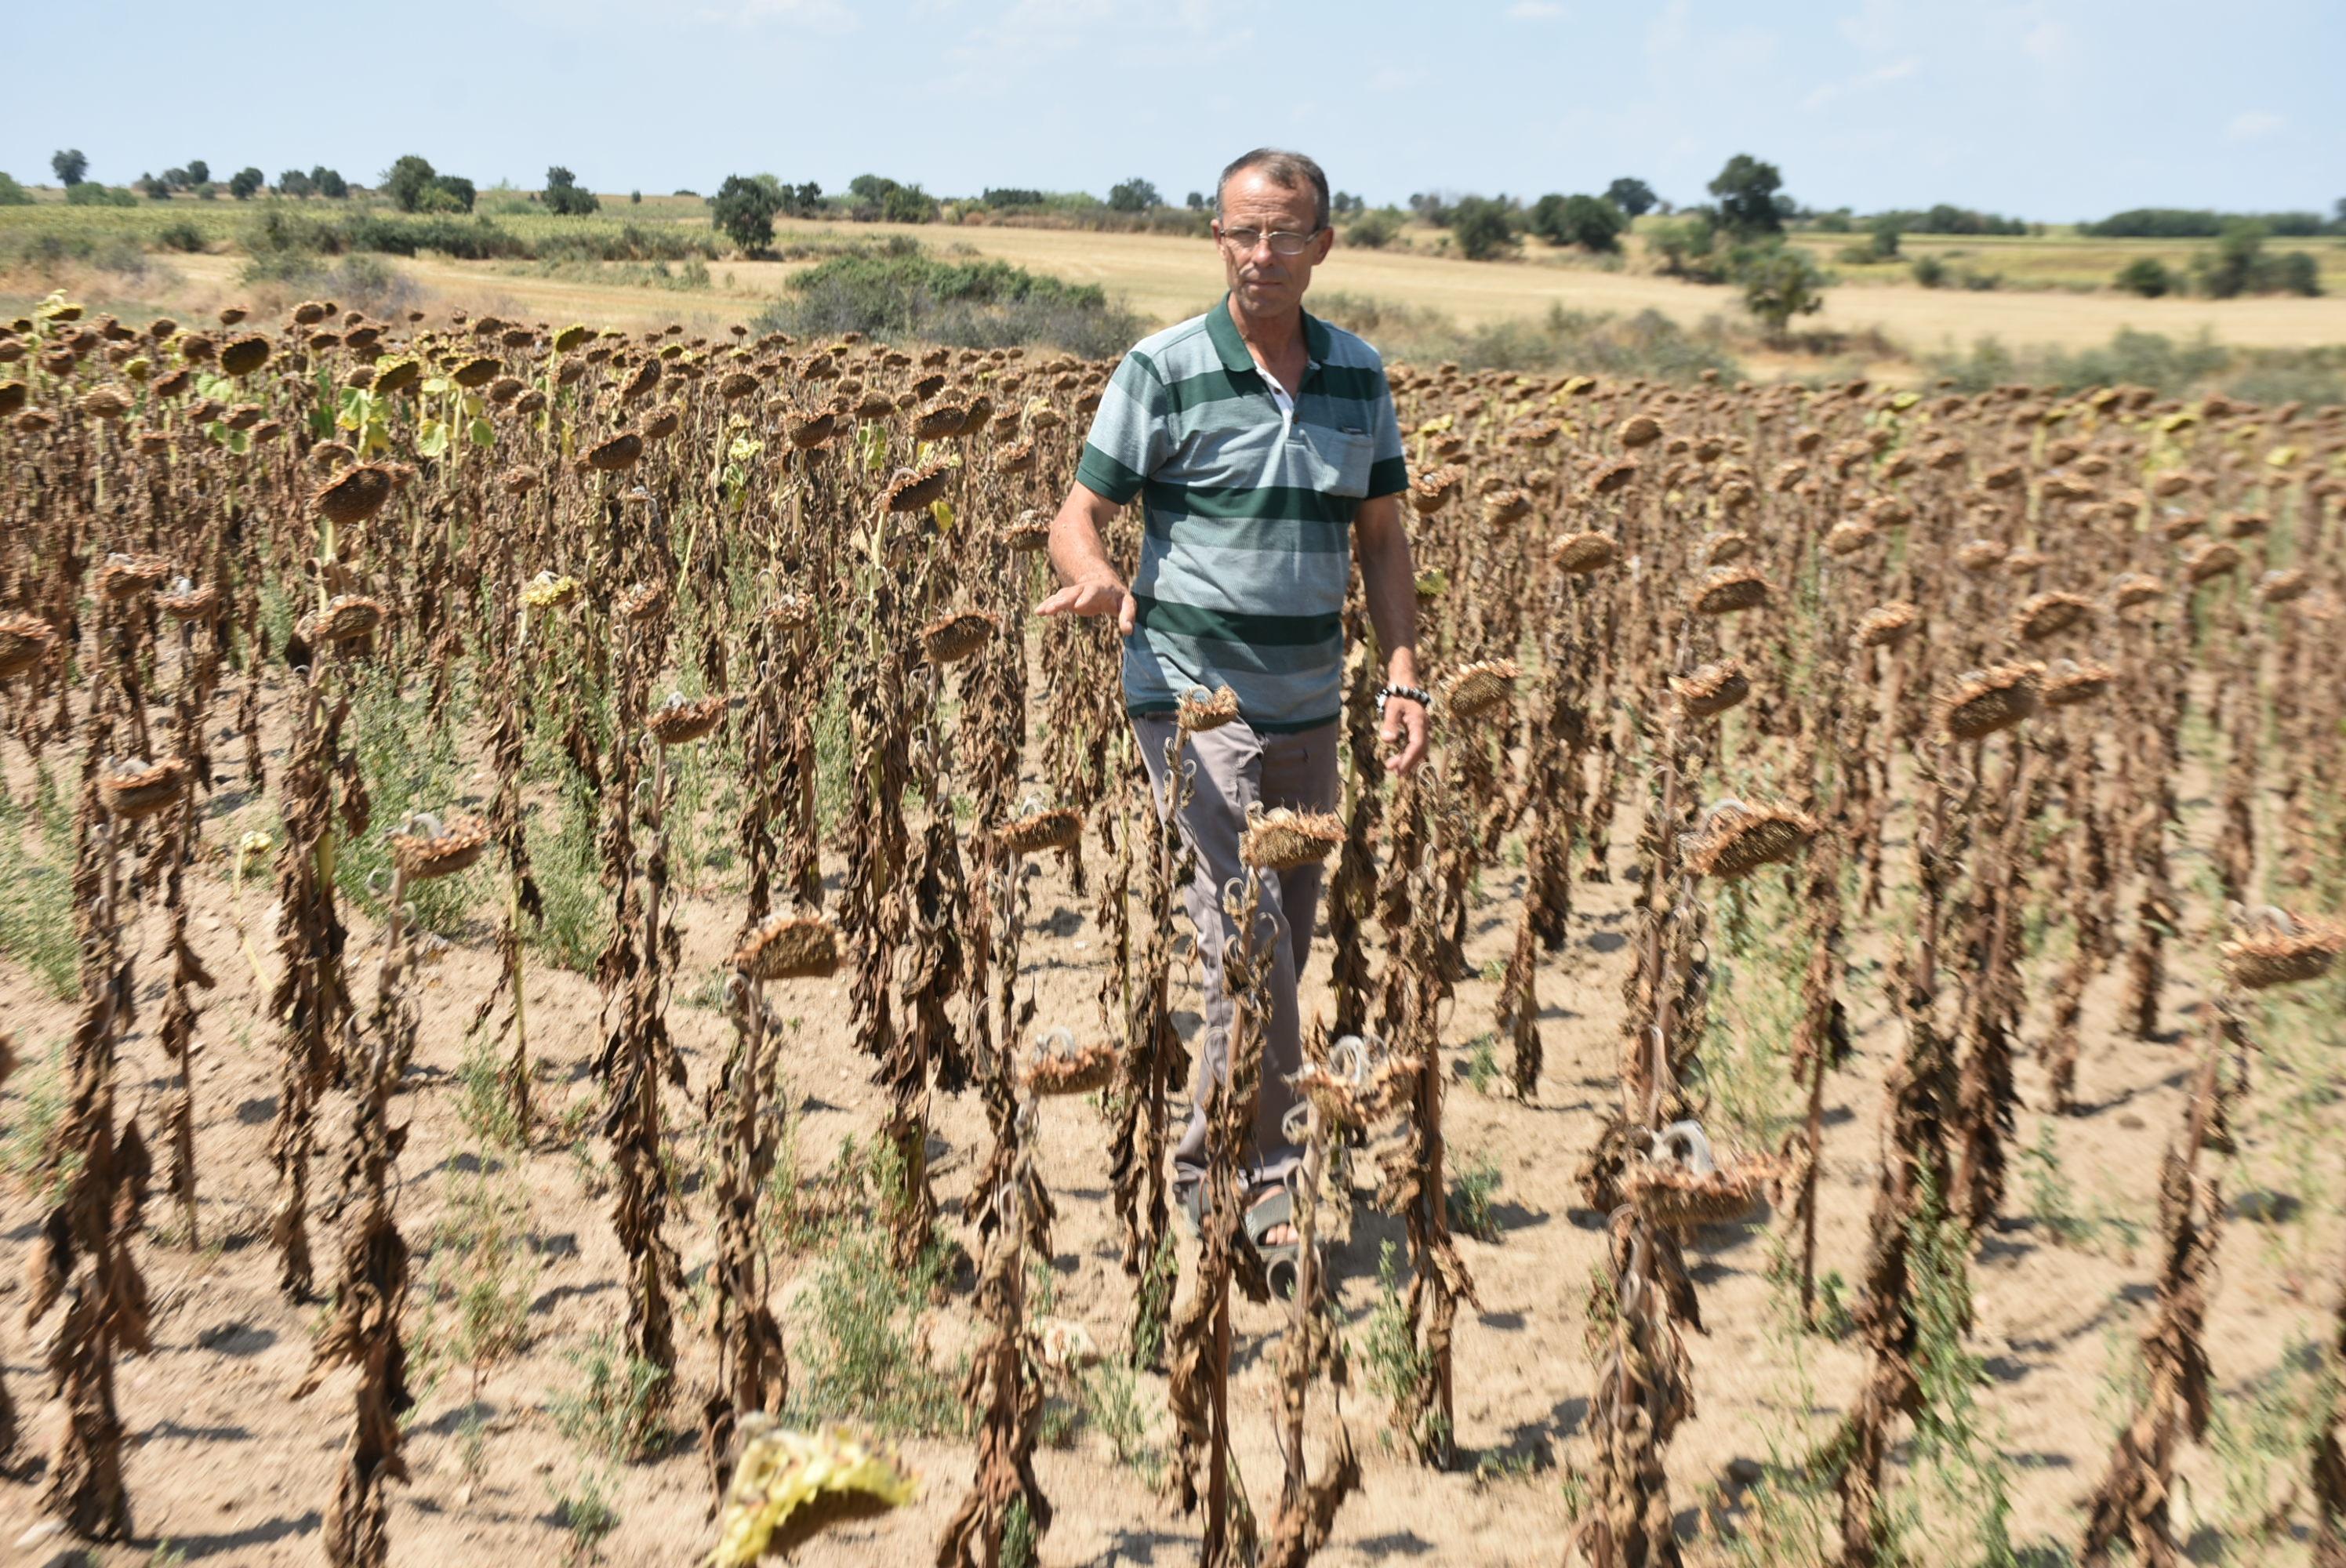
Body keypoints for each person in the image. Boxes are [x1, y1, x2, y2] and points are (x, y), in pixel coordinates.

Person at [1037, 147, 1427, 1266]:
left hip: (1310, 699)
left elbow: (1385, 541)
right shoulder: (1160, 370)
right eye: (1243, 233)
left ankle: (1238, 1153)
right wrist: (1101, 572)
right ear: (1217, 240)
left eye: (1285, 234)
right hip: (1192, 700)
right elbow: (1077, 517)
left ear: (1322, 245)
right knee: (1245, 939)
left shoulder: (1359, 376)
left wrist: (1403, 673)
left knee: (1284, 947)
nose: (1263, 255)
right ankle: (1247, 1184)